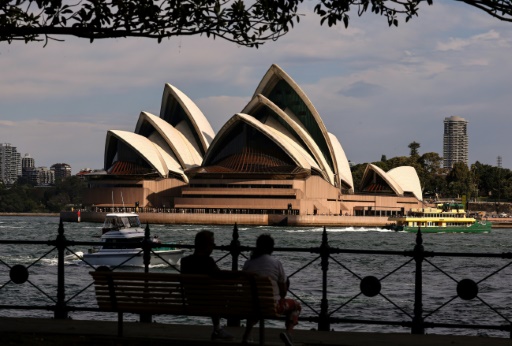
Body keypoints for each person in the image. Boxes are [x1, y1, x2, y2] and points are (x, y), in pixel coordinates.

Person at [241, 234, 301, 346]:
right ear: (271, 248)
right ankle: (288, 333)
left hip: (250, 305)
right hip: (272, 307)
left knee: (256, 304)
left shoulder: (248, 263)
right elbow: (283, 292)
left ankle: (247, 334)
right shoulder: (276, 263)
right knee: (296, 305)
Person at [180, 230, 233, 341]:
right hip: (210, 303)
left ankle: (218, 329)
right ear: (205, 245)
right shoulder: (208, 262)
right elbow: (221, 275)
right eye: (212, 243)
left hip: (191, 302)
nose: (214, 246)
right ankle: (218, 329)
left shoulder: (185, 261)